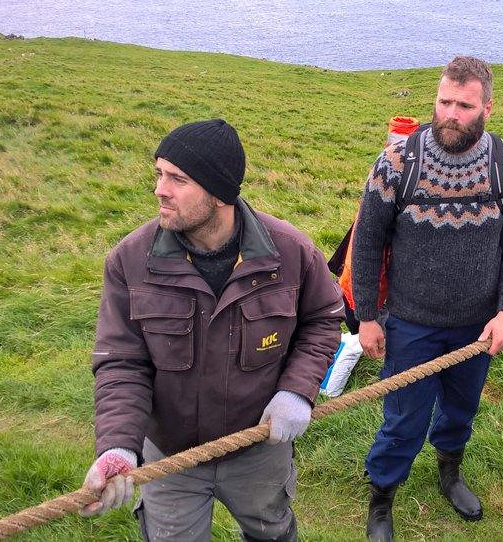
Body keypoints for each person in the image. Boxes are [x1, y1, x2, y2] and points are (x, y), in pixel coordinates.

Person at [81, 118, 343, 541]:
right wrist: (118, 445)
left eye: (177, 178)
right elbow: (122, 364)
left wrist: (297, 390)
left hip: (260, 450)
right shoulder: (129, 261)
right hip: (170, 458)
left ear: (219, 193)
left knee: (272, 534)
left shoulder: (291, 252)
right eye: (159, 174)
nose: (159, 190)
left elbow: (324, 320)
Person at [351, 56, 503, 541]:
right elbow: (367, 242)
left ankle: (450, 472)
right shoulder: (396, 164)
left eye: (464, 105)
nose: (451, 113)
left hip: (478, 325)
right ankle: (382, 496)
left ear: (487, 108)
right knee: (403, 419)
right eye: (444, 101)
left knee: (461, 408)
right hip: (410, 323)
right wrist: (367, 318)